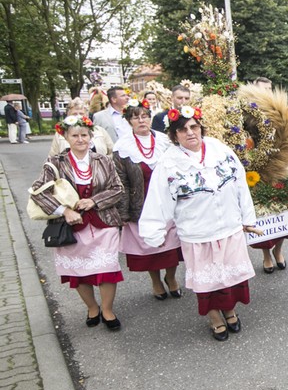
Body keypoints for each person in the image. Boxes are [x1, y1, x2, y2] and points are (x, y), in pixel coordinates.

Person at [140, 105, 257, 341]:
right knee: (208, 281)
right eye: (182, 130)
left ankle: (230, 311)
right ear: (174, 136)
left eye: (194, 127)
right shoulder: (168, 163)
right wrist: (153, 231)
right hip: (197, 233)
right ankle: (215, 318)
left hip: (228, 228)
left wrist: (246, 217)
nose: (190, 132)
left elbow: (240, 184)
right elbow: (158, 199)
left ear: (201, 128)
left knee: (230, 278)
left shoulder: (219, 150)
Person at [30, 115, 125, 330]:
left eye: (84, 135)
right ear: (66, 137)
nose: (80, 139)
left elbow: (118, 189)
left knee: (107, 268)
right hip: (72, 227)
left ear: (91, 137)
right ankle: (92, 307)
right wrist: (64, 210)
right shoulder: (55, 163)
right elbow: (37, 191)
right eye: (75, 135)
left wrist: (94, 200)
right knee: (79, 272)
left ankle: (108, 310)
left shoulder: (103, 160)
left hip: (104, 223)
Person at [113, 96, 183, 301]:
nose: (141, 121)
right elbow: (121, 182)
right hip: (141, 204)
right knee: (149, 248)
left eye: (145, 116)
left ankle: (171, 278)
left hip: (167, 203)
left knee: (171, 245)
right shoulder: (122, 147)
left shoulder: (165, 141)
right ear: (129, 122)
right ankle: (155, 280)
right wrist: (124, 212)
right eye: (136, 118)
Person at [248, 76, 288, 273]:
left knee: (281, 216)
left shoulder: (280, 115)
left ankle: (278, 250)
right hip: (256, 173)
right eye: (262, 89)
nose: (267, 93)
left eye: (269, 89)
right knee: (262, 217)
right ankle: (266, 255)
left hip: (279, 170)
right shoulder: (247, 116)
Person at [48, 99, 114, 157]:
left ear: (87, 115)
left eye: (81, 113)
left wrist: (105, 163)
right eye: (74, 114)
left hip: (98, 169)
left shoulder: (100, 131)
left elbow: (112, 152)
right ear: (68, 116)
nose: (78, 116)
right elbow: (53, 156)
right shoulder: (61, 133)